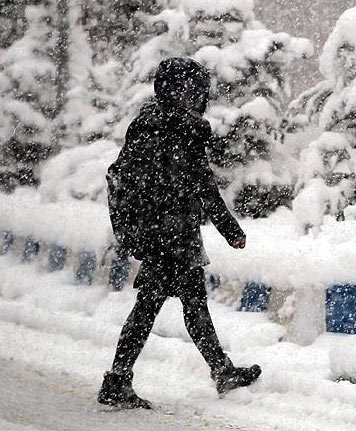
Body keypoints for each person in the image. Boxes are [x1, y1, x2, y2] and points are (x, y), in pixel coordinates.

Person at [99, 57, 261, 410]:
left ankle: (218, 370)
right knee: (163, 307)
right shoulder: (177, 130)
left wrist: (143, 229)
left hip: (164, 234)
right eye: (192, 91)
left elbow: (150, 181)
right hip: (169, 237)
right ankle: (118, 379)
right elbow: (202, 186)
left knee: (183, 304)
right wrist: (230, 230)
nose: (197, 98)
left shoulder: (150, 125)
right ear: (175, 91)